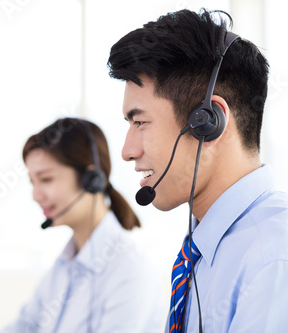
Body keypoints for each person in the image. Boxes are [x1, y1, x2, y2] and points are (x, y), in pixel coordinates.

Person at [107, 8, 288, 333]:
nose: (127, 151)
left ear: (208, 123)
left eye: (140, 122)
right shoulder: (202, 247)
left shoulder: (274, 258)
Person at [0, 117, 166, 333]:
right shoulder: (63, 266)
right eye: (33, 182)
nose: (35, 195)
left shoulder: (129, 271)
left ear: (90, 178)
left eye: (46, 179)